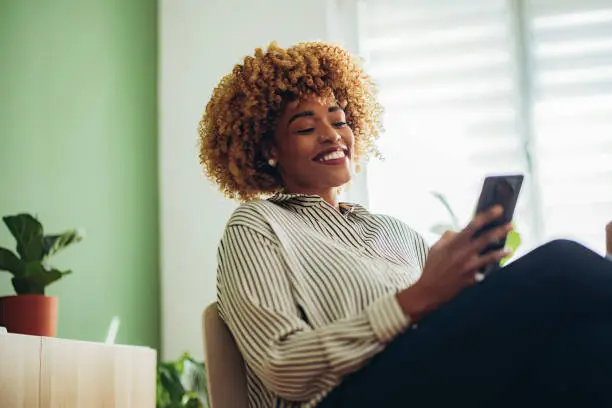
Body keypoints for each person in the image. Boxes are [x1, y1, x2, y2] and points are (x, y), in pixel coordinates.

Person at [198, 41, 612, 408]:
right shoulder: (258, 224)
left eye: (339, 120)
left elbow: (458, 328)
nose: (331, 135)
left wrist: (467, 281)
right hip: (343, 397)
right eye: (306, 127)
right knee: (561, 262)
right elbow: (281, 365)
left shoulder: (394, 232)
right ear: (270, 149)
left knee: (586, 352)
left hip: (436, 381)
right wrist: (415, 299)